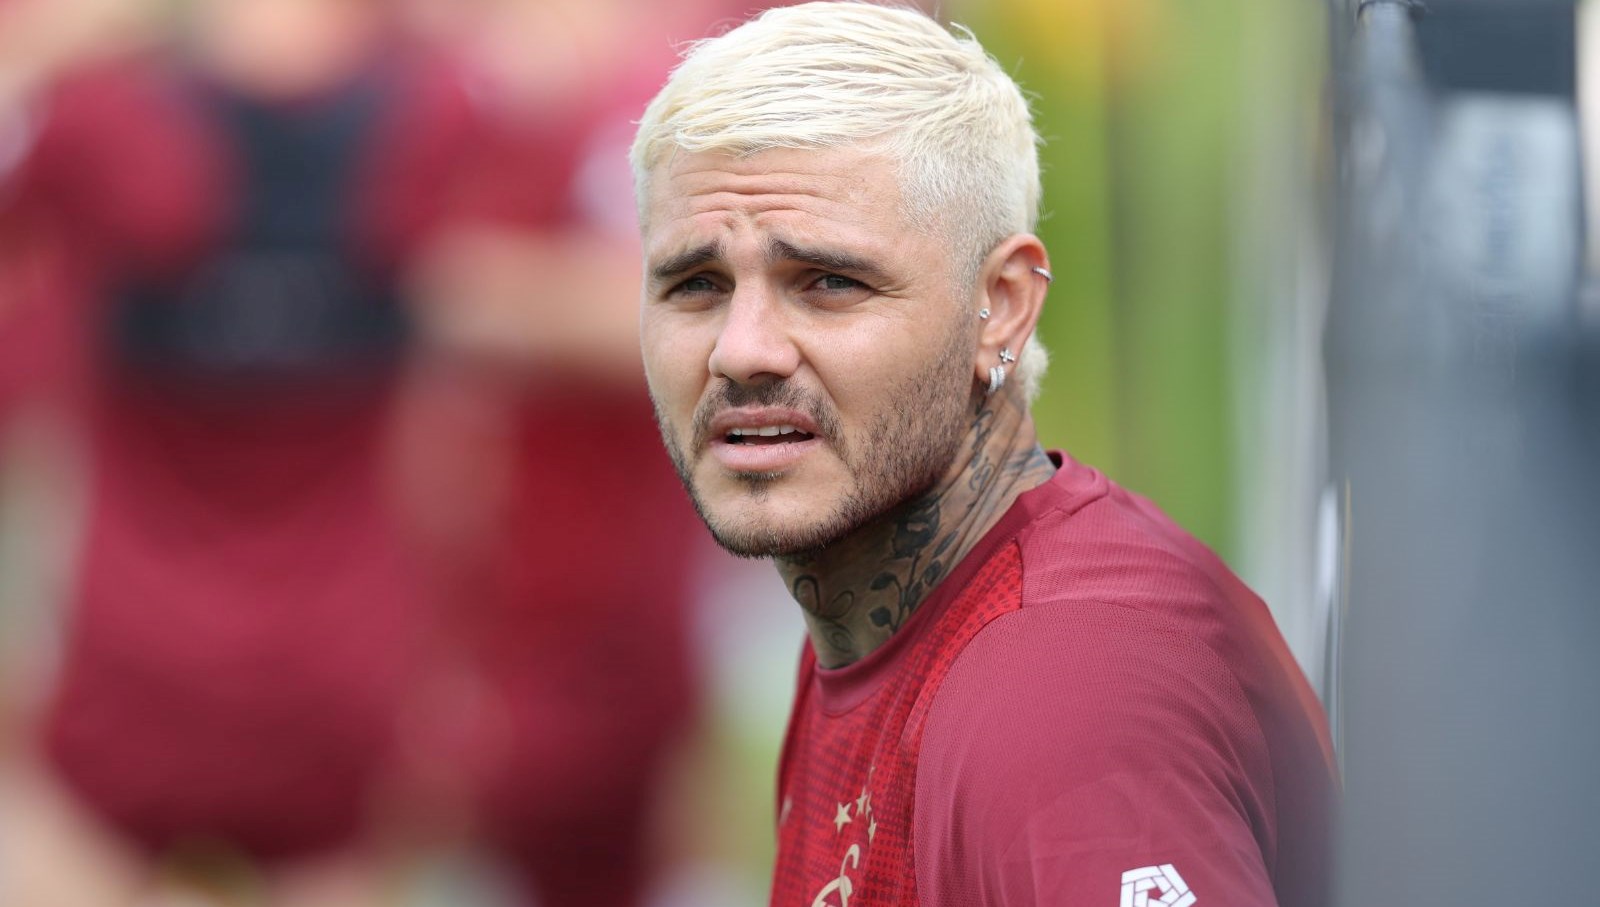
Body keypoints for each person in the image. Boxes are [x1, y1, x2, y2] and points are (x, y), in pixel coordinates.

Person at [629, 2, 1337, 905]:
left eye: (830, 282)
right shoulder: (875, 611)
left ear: (999, 306)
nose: (742, 350)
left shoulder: (1060, 698)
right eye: (696, 284)